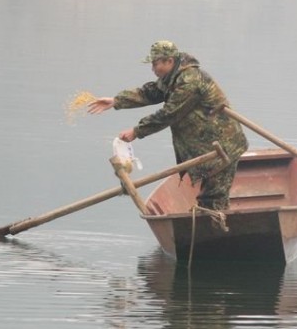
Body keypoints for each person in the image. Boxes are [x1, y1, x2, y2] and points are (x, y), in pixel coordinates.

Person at [88, 40, 248, 210]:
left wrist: (137, 131)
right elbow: (150, 93)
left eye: (156, 64)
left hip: (223, 146)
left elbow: (170, 113)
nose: (153, 69)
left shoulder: (190, 81)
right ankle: (211, 228)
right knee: (209, 197)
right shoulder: (171, 78)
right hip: (206, 148)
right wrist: (116, 101)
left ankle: (217, 230)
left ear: (169, 61)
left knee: (213, 200)